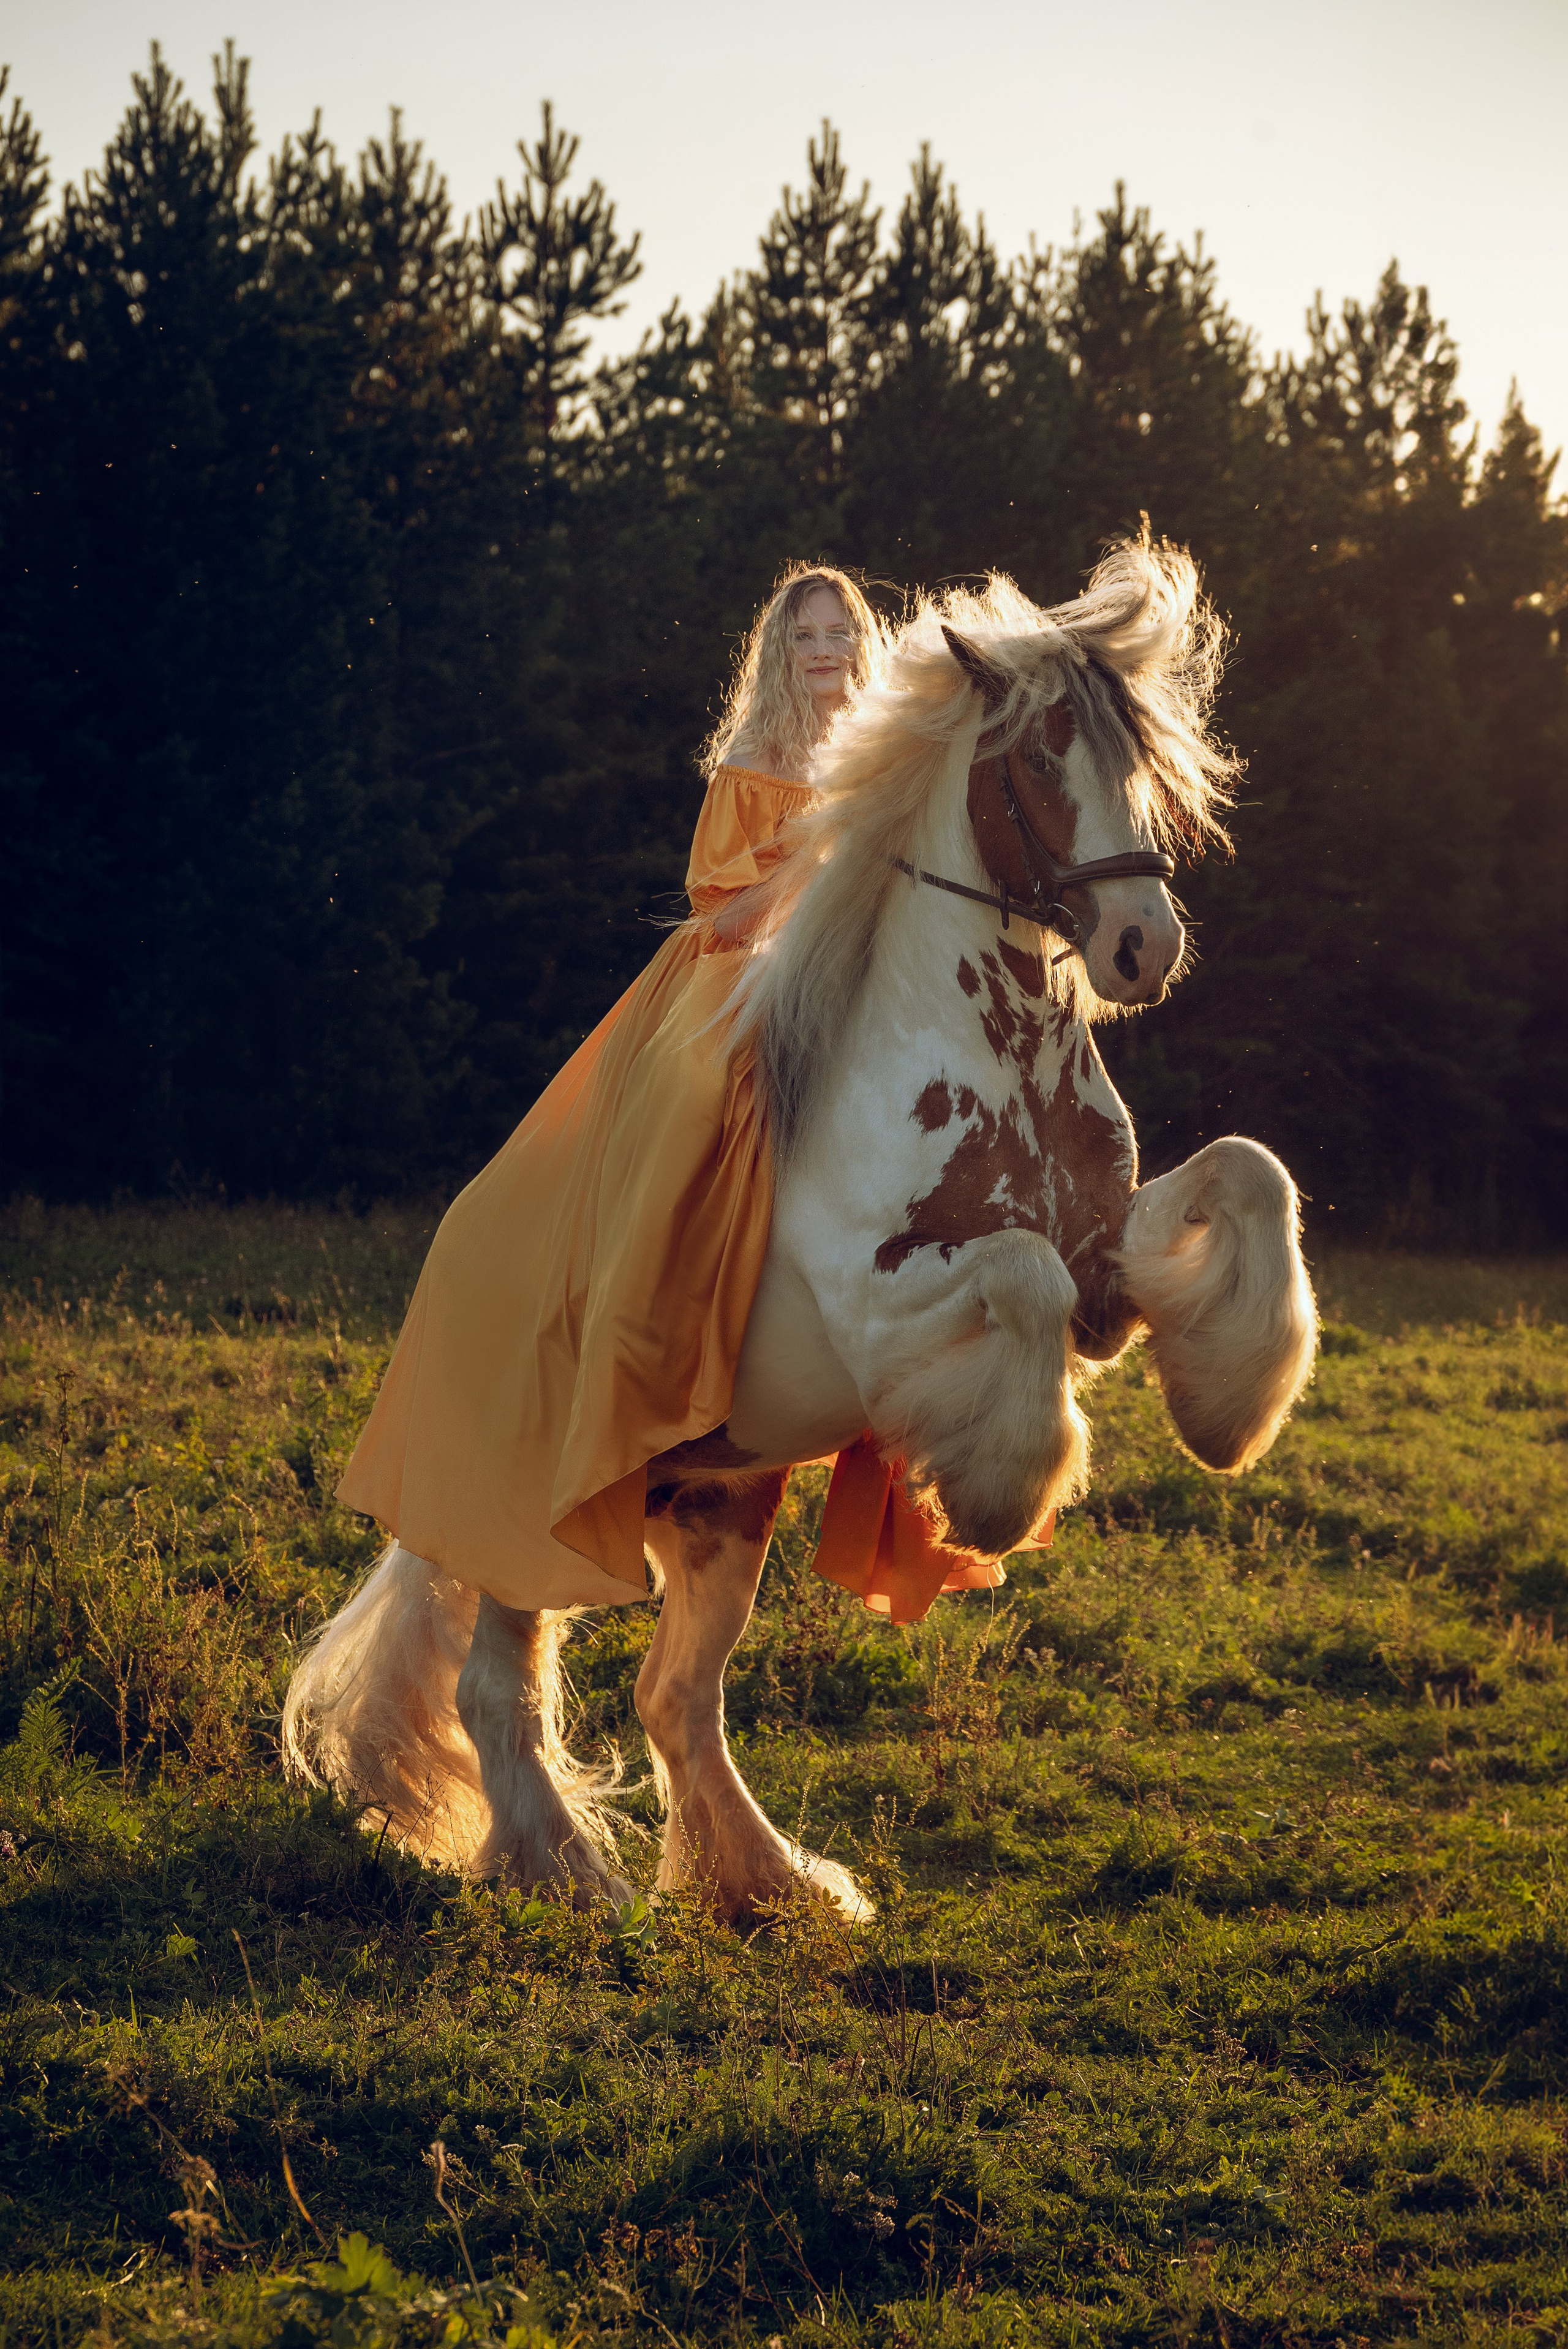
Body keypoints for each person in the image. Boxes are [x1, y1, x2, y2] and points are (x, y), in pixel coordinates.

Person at [336, 563, 1011, 1623]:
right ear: (780, 654)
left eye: (842, 631)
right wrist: (827, 852)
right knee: (704, 1086)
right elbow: (732, 917)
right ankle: (645, 1321)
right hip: (743, 978)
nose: (827, 650)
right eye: (806, 637)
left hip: (863, 981)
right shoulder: (752, 765)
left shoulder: (892, 759)